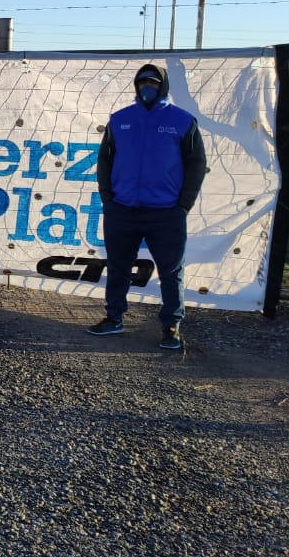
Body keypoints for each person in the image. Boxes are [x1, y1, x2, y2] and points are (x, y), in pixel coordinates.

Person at [88, 63, 207, 350]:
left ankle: (171, 327)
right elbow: (105, 160)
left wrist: (183, 205)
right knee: (118, 268)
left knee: (171, 271)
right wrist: (108, 198)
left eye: (152, 83)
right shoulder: (120, 120)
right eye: (142, 84)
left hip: (166, 213)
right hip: (122, 210)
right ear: (136, 87)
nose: (147, 89)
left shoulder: (182, 121)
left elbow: (197, 164)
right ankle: (114, 318)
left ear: (163, 86)